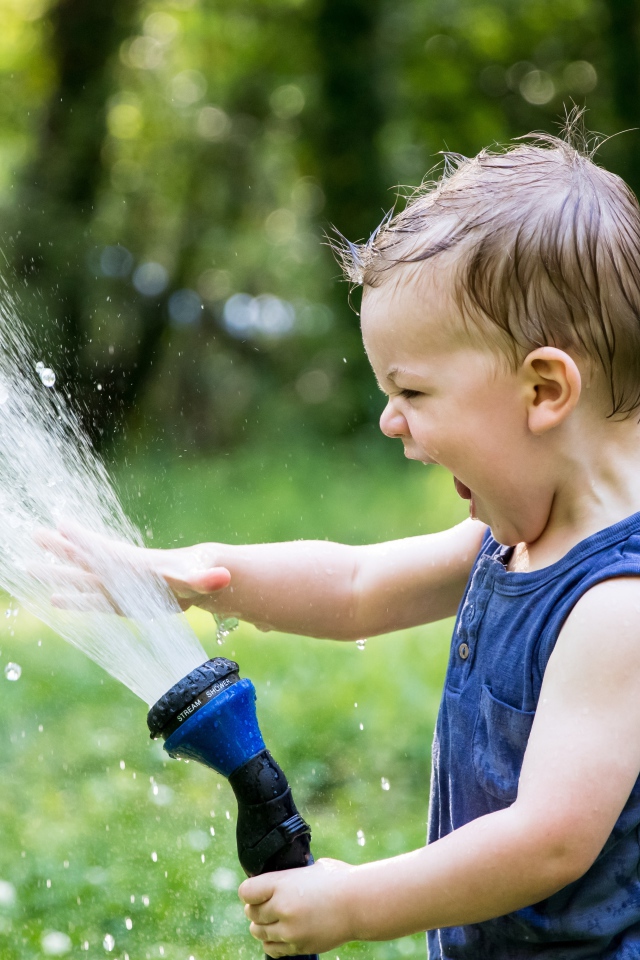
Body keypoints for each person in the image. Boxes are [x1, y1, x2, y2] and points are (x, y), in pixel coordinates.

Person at [48, 122, 640, 959]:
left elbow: (549, 841)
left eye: (413, 392)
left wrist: (355, 904)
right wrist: (196, 576)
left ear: (544, 389)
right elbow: (356, 585)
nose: (391, 421)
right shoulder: (508, 542)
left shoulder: (617, 605)